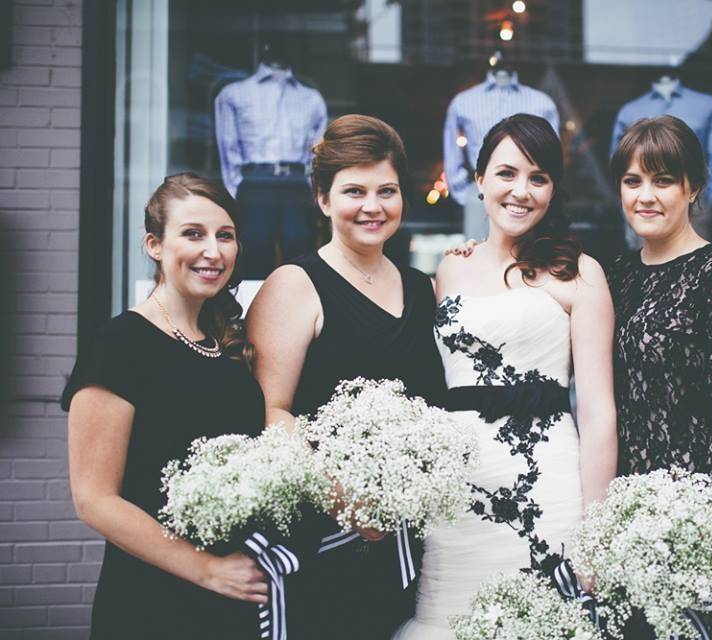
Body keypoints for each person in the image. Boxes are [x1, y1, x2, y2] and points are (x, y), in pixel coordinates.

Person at [392, 113, 618, 639]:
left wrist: (595, 533)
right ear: (479, 180)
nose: (521, 191)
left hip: (549, 485)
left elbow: (599, 411)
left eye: (538, 178)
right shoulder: (450, 268)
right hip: (460, 488)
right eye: (507, 174)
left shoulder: (580, 273)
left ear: (553, 190)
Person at [246, 114, 445, 639]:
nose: (373, 206)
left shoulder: (422, 288)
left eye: (388, 190)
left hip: (411, 537)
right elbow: (270, 411)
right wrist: (349, 503)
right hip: (325, 533)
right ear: (323, 198)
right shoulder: (294, 284)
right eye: (354, 190)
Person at [63, 173, 267, 639]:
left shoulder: (226, 344)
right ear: (154, 245)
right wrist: (207, 570)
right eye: (193, 234)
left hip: (232, 595)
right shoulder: (120, 344)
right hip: (154, 600)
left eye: (225, 236)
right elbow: (94, 499)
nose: (213, 251)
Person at [604, 115, 712, 639]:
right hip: (620, 514)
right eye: (632, 181)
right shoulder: (616, 275)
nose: (645, 196)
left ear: (692, 187)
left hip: (689, 524)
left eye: (662, 180)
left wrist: (703, 523)